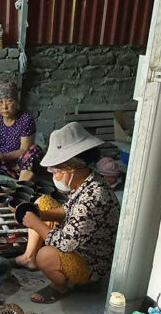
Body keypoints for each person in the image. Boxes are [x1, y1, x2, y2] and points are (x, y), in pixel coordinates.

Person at [15, 122, 120, 303]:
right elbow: (68, 209)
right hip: (81, 241)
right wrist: (42, 215)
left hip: (91, 261)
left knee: (46, 256)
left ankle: (61, 287)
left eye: (55, 170)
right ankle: (28, 257)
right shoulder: (87, 180)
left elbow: (63, 243)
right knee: (42, 203)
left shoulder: (93, 198)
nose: (53, 175)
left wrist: (36, 224)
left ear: (71, 167)